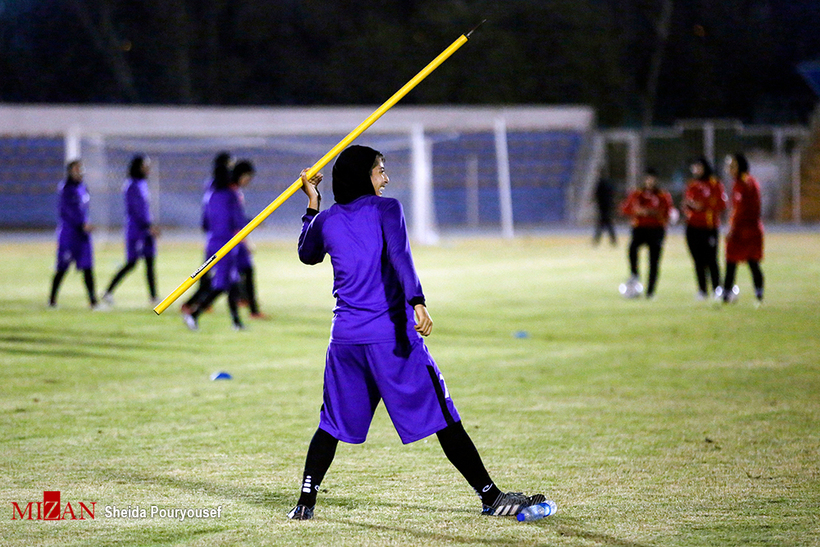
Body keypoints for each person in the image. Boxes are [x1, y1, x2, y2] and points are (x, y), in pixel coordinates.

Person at [287, 145, 545, 521]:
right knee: (443, 414)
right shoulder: (387, 210)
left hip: (344, 342)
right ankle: (491, 497)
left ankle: (304, 504)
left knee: (331, 423)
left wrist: (312, 203)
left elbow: (306, 253)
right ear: (364, 176)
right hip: (391, 338)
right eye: (380, 171)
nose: (386, 178)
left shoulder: (326, 220)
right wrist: (418, 301)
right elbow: (400, 256)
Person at [181, 155, 246, 331]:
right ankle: (193, 314)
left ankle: (236, 323)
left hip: (211, 241)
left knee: (232, 282)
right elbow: (238, 221)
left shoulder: (209, 193)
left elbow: (205, 222)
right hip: (226, 243)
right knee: (222, 284)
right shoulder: (231, 194)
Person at [102, 154, 159, 307]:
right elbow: (137, 210)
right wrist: (149, 226)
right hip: (136, 231)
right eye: (145, 165)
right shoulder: (131, 185)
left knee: (150, 262)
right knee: (131, 263)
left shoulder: (142, 184)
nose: (148, 169)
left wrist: (150, 225)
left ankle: (154, 297)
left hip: (145, 229)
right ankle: (108, 291)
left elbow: (145, 209)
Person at [49, 160, 100, 309]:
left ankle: (93, 302)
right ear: (70, 171)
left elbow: (83, 210)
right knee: (62, 268)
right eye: (77, 169)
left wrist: (86, 223)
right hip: (69, 235)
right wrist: (81, 224)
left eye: (81, 168)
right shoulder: (65, 188)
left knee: (88, 267)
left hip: (83, 236)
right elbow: (66, 211)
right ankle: (52, 300)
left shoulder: (83, 188)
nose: (80, 171)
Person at [620, 169, 675, 299]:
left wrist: (652, 212)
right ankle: (634, 275)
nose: (650, 181)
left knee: (654, 261)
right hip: (639, 229)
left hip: (656, 230)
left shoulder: (662, 195)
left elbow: (668, 212)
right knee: (632, 249)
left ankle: (650, 292)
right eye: (648, 178)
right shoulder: (637, 193)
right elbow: (625, 208)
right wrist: (637, 211)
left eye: (652, 179)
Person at [721, 153, 764, 304]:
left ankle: (727, 293)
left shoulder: (744, 183)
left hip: (745, 230)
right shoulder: (746, 181)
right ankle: (758, 294)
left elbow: (740, 210)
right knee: (748, 262)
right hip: (749, 229)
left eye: (732, 166)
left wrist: (731, 228)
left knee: (735, 260)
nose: (729, 169)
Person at [682, 157, 727, 301]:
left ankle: (717, 289)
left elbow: (721, 204)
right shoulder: (692, 185)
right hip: (692, 227)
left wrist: (703, 205)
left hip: (709, 227)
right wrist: (692, 206)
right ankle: (702, 290)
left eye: (698, 167)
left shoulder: (715, 184)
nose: (696, 170)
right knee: (697, 260)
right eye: (694, 167)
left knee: (711, 259)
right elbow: (688, 203)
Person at [231, 160, 266, 319]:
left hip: (233, 239)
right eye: (248, 177)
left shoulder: (234, 191)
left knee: (244, 271)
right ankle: (193, 305)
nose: (249, 181)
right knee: (223, 279)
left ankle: (249, 305)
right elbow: (234, 220)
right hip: (230, 240)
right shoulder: (231, 193)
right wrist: (246, 241)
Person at [592, 174, 617, 246]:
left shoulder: (600, 185)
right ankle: (612, 240)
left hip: (602, 208)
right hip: (607, 208)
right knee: (607, 224)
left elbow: (596, 195)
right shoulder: (609, 185)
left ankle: (597, 240)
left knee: (603, 224)